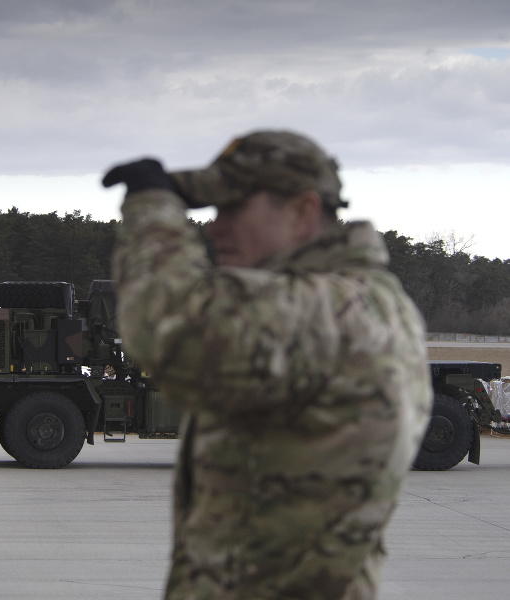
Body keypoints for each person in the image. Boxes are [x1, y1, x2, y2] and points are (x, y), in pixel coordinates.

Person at [103, 129, 434, 600]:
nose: (214, 226)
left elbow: (169, 325)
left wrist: (153, 210)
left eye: (232, 207)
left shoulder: (336, 308)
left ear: (302, 211)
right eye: (212, 210)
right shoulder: (356, 302)